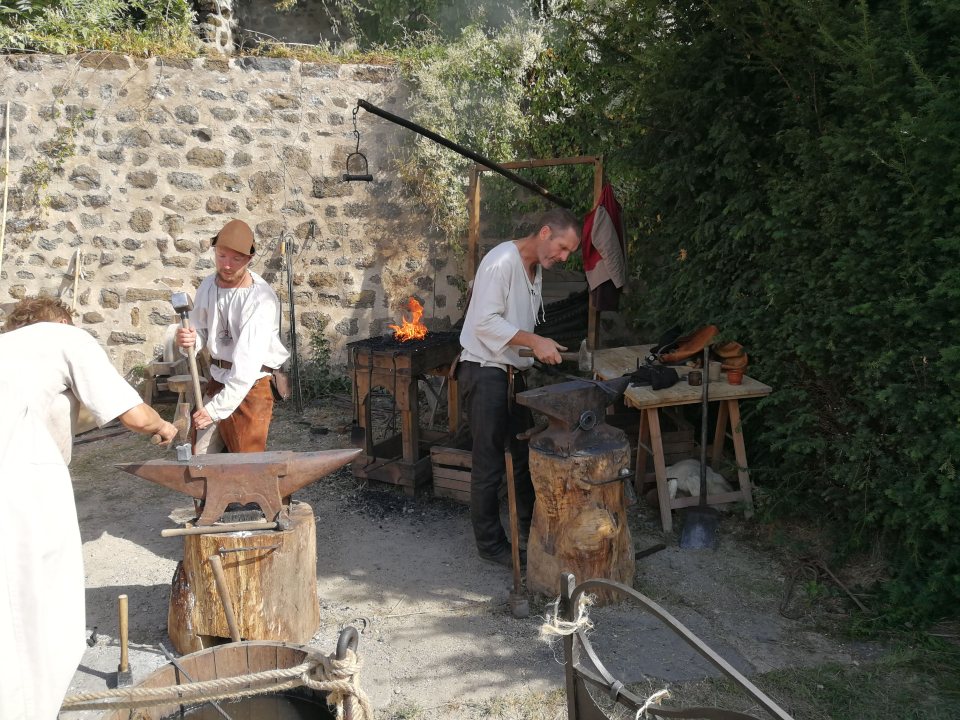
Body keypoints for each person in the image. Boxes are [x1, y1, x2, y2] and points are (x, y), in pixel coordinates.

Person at [0, 296, 178, 720]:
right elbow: (131, 414)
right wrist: (162, 425)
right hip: (21, 473)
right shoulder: (66, 336)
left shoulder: (8, 349)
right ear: (63, 320)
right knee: (37, 596)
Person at [457, 207, 582, 566]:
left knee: (526, 457)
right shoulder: (501, 262)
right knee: (489, 463)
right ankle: (491, 545)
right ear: (545, 232)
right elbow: (483, 323)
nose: (562, 257)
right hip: (485, 373)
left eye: (568, 253)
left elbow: (512, 327)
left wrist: (539, 345)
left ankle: (531, 532)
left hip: (513, 374)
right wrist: (533, 339)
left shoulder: (534, 269)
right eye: (562, 248)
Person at [175, 218, 290, 453]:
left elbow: (246, 365)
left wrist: (215, 410)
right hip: (218, 380)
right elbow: (201, 330)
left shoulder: (260, 298)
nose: (227, 265)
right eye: (221, 256)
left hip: (252, 385)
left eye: (236, 259)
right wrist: (191, 341)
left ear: (248, 259)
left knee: (247, 462)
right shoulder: (208, 286)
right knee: (201, 456)